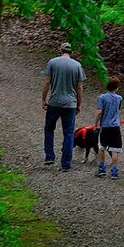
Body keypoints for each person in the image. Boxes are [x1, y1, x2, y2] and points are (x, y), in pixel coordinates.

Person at [42, 41, 86, 171]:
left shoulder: (52, 62)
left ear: (60, 51)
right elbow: (79, 87)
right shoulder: (77, 66)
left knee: (49, 129)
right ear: (71, 52)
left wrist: (44, 99)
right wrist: (79, 104)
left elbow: (47, 82)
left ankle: (50, 156)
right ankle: (66, 164)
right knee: (68, 133)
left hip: (54, 102)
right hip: (70, 104)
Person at [94, 76, 124, 178]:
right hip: (115, 126)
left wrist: (96, 124)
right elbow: (118, 109)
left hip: (105, 126)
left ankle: (102, 168)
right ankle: (114, 171)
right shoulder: (119, 98)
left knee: (102, 147)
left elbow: (99, 112)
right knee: (115, 149)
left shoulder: (102, 98)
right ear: (117, 87)